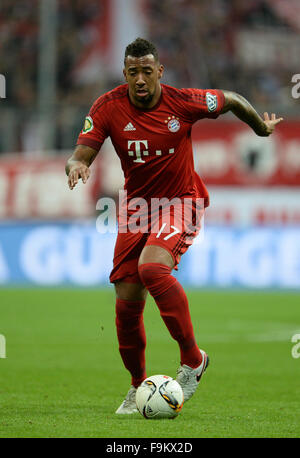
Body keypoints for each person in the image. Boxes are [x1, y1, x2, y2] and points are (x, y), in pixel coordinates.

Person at [65, 38, 283, 414]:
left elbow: (229, 98)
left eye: (147, 71)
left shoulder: (183, 102)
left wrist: (259, 129)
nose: (140, 79)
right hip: (136, 209)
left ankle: (193, 360)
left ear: (159, 72)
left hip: (181, 200)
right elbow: (78, 154)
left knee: (152, 267)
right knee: (126, 305)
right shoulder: (107, 107)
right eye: (133, 72)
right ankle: (137, 388)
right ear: (125, 73)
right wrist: (77, 166)